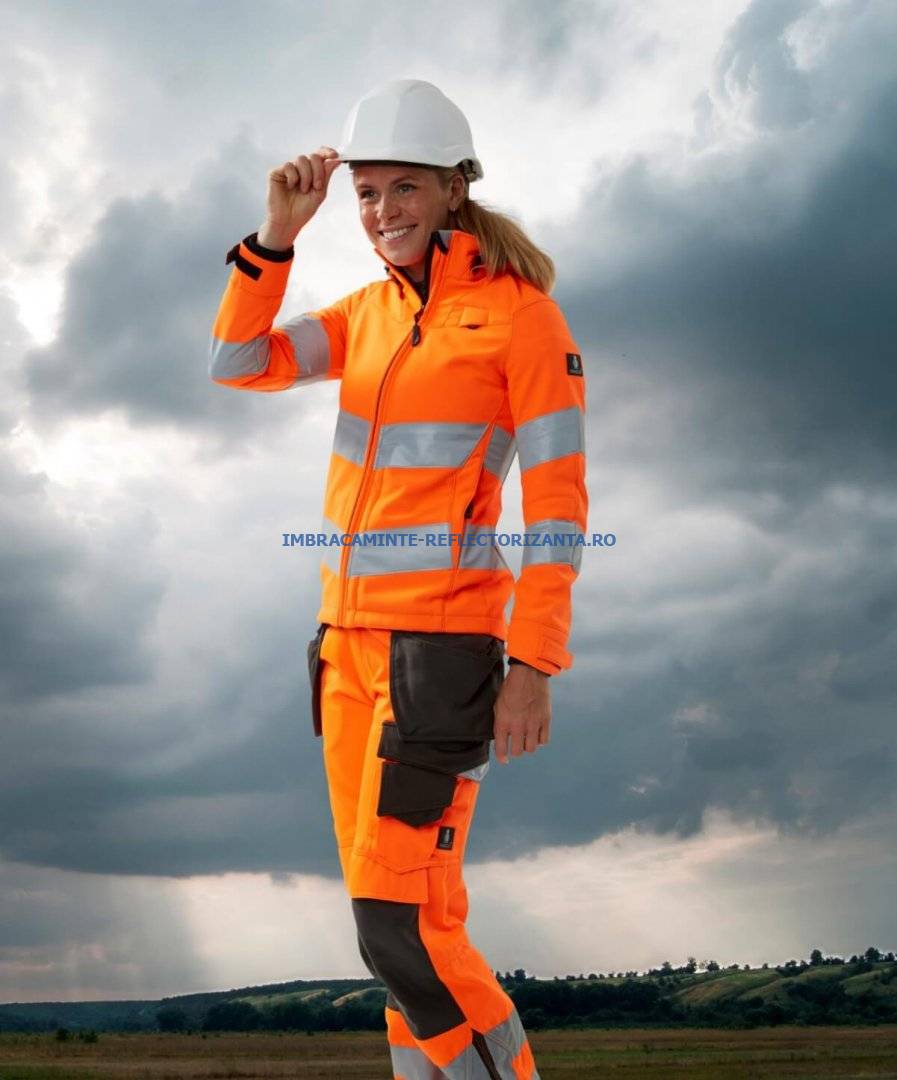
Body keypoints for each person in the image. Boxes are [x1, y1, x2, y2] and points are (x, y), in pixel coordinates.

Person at [209, 77, 587, 1080]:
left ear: (455, 188)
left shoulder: (522, 320)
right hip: (343, 653)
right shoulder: (366, 315)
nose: (383, 212)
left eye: (404, 187)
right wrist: (277, 236)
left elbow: (558, 505)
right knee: (398, 931)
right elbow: (237, 360)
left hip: (441, 659)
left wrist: (534, 664)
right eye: (367, 192)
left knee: (401, 929)